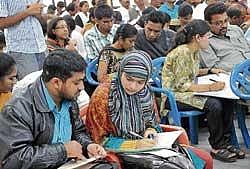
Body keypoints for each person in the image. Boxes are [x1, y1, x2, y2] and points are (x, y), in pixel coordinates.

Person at [86, 50, 213, 169]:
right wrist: (134, 145)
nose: (133, 86)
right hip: (118, 150)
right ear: (121, 72)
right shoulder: (103, 95)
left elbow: (152, 123)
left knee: (203, 159)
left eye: (140, 82)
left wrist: (150, 131)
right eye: (129, 79)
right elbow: (98, 139)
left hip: (149, 146)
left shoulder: (145, 92)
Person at [0, 49, 106, 168]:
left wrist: (88, 145)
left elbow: (78, 132)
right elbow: (13, 160)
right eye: (77, 83)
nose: (82, 87)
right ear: (56, 82)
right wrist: (63, 151)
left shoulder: (69, 97)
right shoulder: (18, 109)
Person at [161, 19, 245, 163]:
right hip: (174, 96)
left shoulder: (194, 50)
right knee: (214, 105)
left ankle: (225, 142)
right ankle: (217, 147)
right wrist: (210, 88)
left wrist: (210, 70)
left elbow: (191, 72)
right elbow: (181, 85)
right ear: (197, 38)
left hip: (185, 92)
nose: (209, 39)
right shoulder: (183, 52)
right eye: (207, 36)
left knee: (227, 100)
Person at [0, 0, 47, 80]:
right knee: (29, 87)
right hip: (21, 49)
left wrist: (38, 14)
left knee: (45, 85)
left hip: (41, 46)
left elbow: (43, 20)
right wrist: (27, 12)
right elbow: (1, 23)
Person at [199, 2, 250, 72]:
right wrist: (243, 65)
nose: (224, 25)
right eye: (218, 23)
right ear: (208, 23)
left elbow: (248, 48)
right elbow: (213, 67)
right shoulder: (204, 41)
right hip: (235, 75)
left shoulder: (235, 30)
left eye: (225, 21)